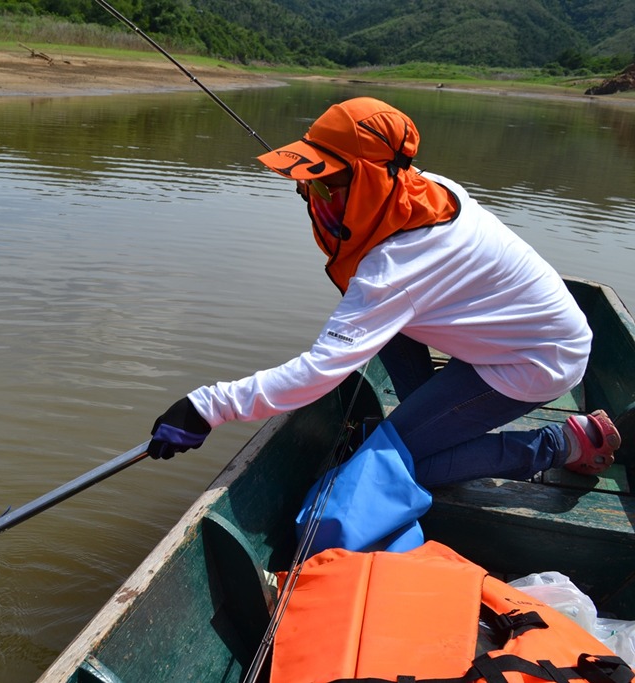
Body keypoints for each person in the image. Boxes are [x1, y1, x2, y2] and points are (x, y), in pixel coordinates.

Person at [147, 96, 621, 487]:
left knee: (392, 466)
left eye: (328, 181)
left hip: (537, 361)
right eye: (311, 182)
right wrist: (326, 185)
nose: (316, 196)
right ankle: (429, 418)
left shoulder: (397, 266)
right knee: (394, 396)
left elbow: (320, 371)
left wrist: (206, 407)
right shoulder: (422, 188)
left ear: (373, 181)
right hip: (500, 338)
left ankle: (564, 444)